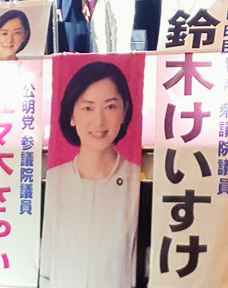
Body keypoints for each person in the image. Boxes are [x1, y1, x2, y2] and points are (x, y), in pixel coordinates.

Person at [40, 61, 140, 288]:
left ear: (124, 111)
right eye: (88, 108)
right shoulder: (54, 180)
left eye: (110, 106)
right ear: (71, 115)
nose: (99, 121)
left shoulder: (137, 181)